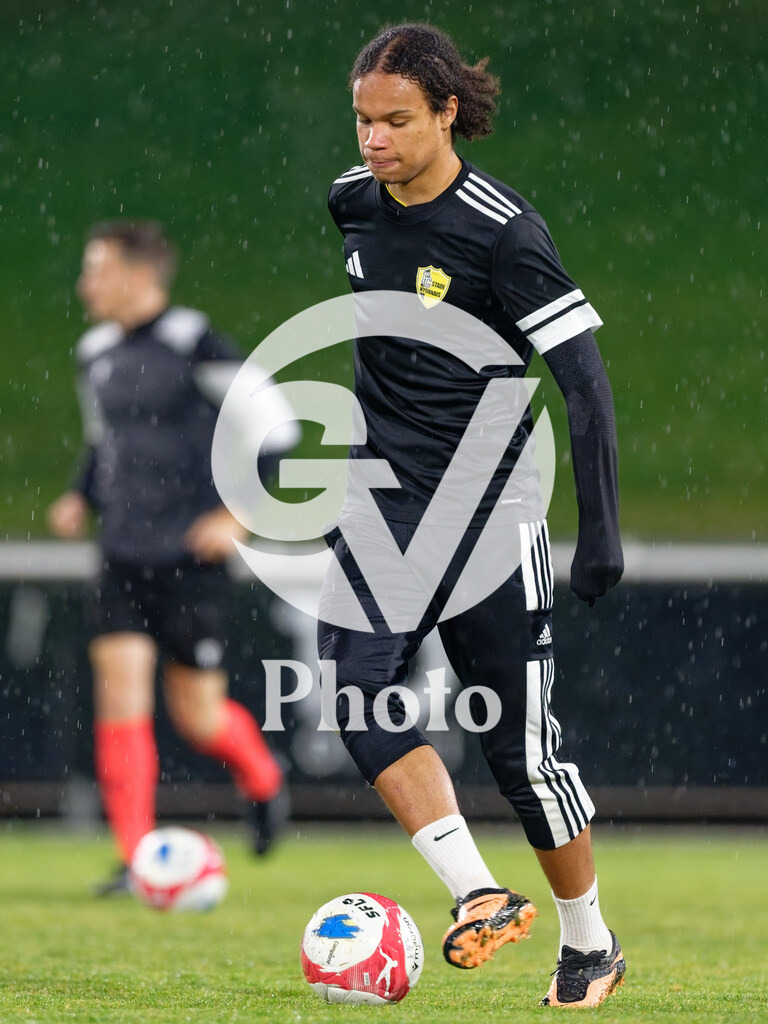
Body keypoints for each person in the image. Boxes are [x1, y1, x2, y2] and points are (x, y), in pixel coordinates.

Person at [320, 24, 625, 1008]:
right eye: (364, 119)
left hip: (490, 519)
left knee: (522, 753)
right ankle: (477, 893)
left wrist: (602, 528)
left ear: (449, 113)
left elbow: (584, 384)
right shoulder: (352, 205)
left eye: (397, 121)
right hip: (385, 511)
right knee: (358, 689)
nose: (374, 139)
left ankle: (590, 943)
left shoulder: (503, 232)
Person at [47, 220, 298, 892]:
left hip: (190, 558)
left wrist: (237, 516)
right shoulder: (93, 350)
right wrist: (80, 496)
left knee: (199, 716)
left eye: (96, 270)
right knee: (120, 699)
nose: (84, 285)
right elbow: (104, 444)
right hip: (123, 553)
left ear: (138, 275)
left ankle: (265, 781)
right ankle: (139, 857)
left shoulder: (196, 342)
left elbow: (279, 427)